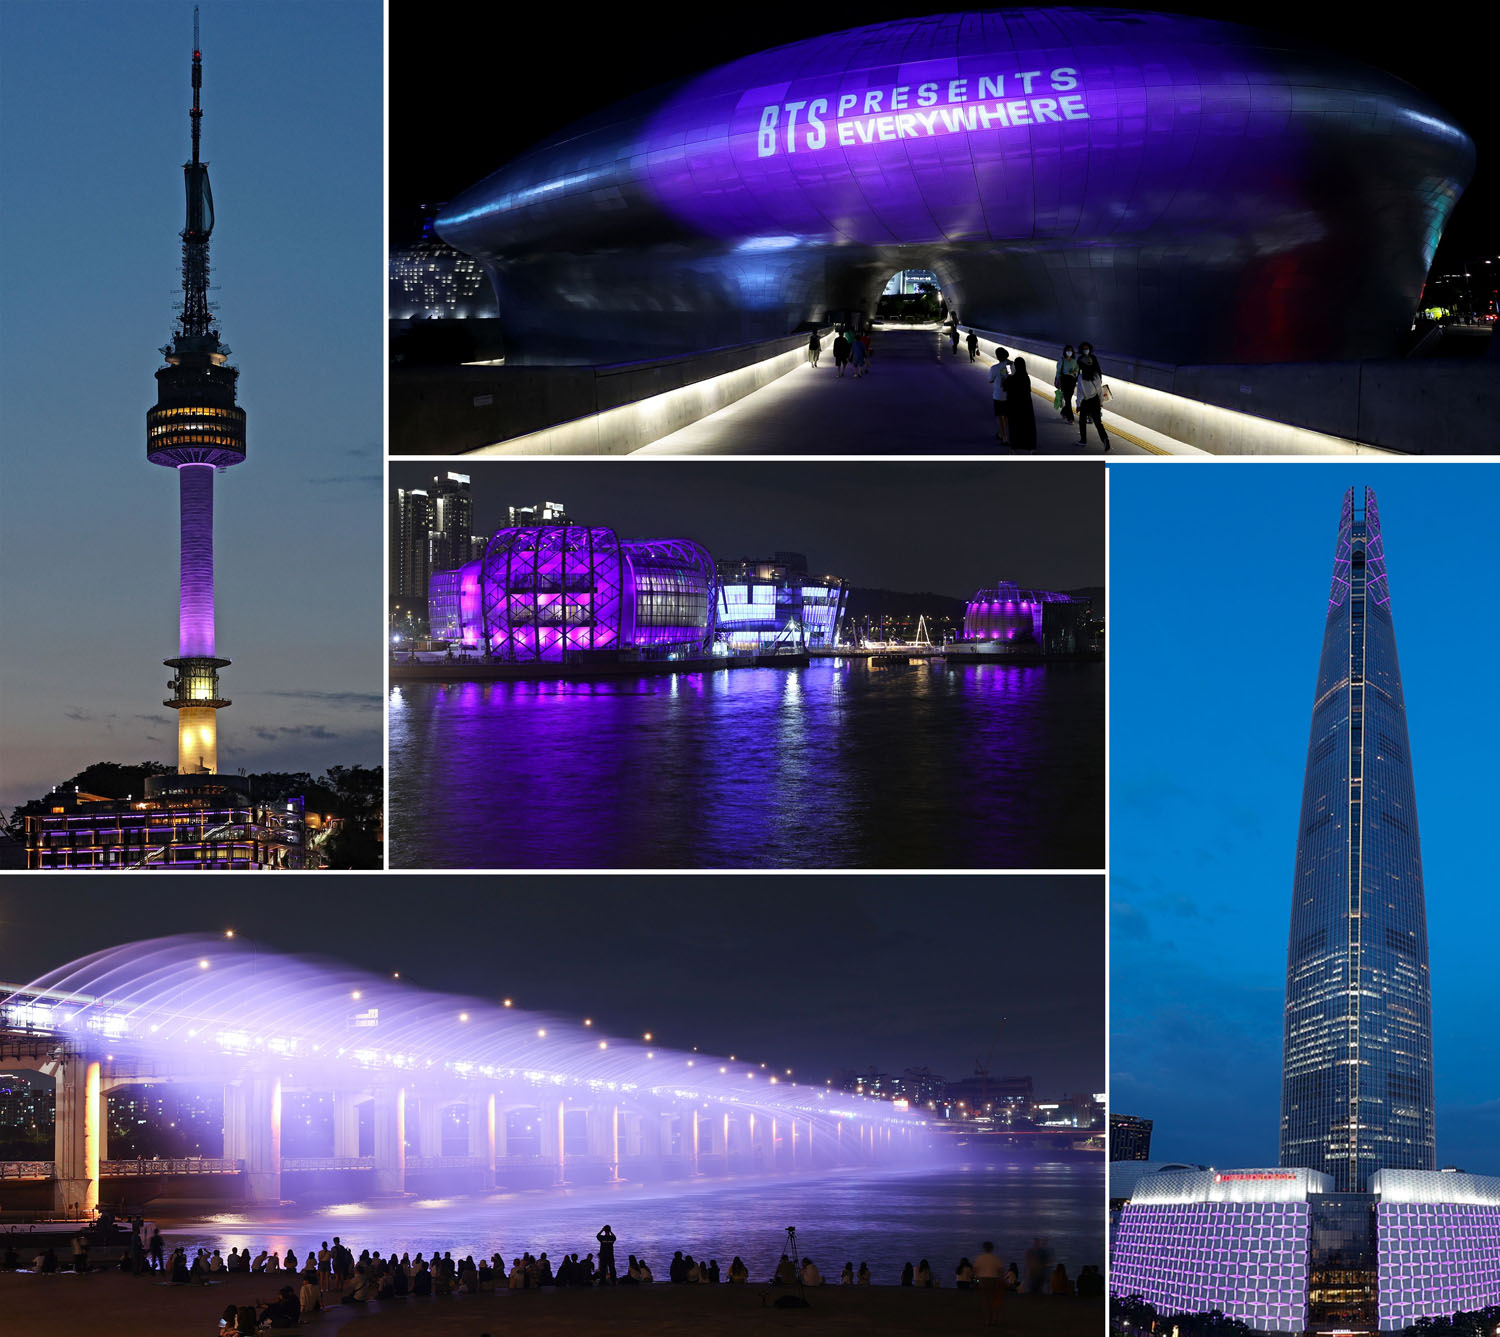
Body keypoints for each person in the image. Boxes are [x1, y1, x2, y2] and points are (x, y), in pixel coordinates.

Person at [1075, 343, 1109, 450]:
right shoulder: (1096, 377)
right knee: (1098, 422)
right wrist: (1101, 402)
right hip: (1095, 400)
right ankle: (1105, 439)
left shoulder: (1081, 378)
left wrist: (1078, 405)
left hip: (1085, 401)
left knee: (1082, 420)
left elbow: (1080, 393)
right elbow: (1099, 390)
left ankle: (1083, 440)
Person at [1003, 356, 1037, 451]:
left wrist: (1008, 373)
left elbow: (1005, 386)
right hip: (1026, 405)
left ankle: (1014, 447)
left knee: (1014, 426)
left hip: (1014, 406)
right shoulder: (1026, 378)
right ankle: (1031, 447)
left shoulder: (1012, 379)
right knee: (1028, 427)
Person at [974, 1241, 1005, 1328]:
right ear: (992, 1248)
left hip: (983, 1280)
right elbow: (1000, 1271)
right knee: (994, 1300)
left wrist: (976, 1281)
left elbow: (976, 1271)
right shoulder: (996, 1258)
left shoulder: (979, 1258)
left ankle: (987, 1320)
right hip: (993, 1280)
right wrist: (1001, 1280)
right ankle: (994, 1319)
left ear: (984, 1248)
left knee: (985, 1301)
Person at [988, 347, 1013, 443]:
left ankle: (1003, 436)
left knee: (1000, 416)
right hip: (1009, 395)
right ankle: (1001, 433)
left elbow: (990, 380)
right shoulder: (1011, 365)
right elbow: (1011, 376)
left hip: (998, 395)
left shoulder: (994, 368)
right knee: (1007, 416)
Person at [1054, 345, 1078, 423]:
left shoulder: (1074, 361)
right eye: (1067, 350)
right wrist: (1058, 381)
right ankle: (1070, 417)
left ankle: (1063, 412)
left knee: (1068, 398)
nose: (1069, 352)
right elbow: (1058, 371)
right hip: (1064, 380)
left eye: (1070, 350)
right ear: (1065, 351)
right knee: (1067, 399)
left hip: (1072, 381)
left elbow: (1077, 370)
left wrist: (1074, 372)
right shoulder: (1062, 360)